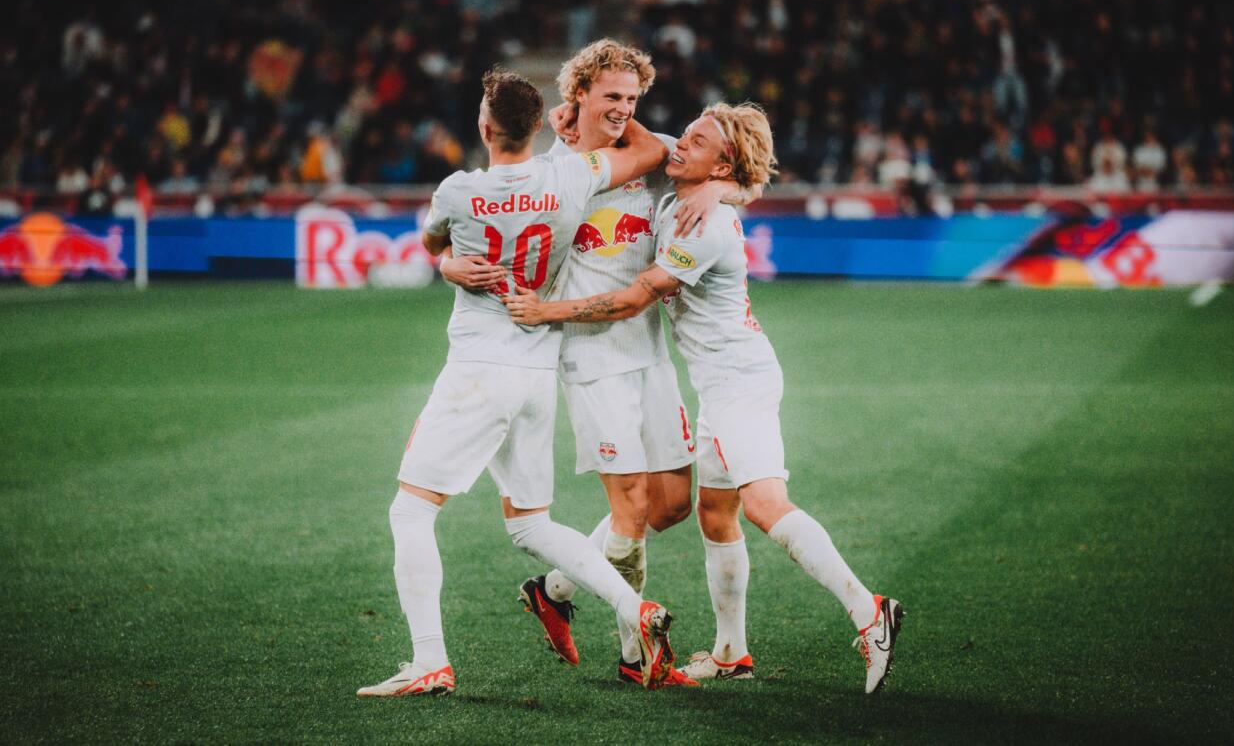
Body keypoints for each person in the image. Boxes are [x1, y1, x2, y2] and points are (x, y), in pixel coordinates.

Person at [504, 103, 905, 694]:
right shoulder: (683, 188)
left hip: (739, 383)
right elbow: (642, 135)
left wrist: (546, 312)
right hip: (719, 383)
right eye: (686, 135)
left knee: (765, 505)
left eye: (697, 141)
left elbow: (637, 296)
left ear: (724, 162)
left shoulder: (705, 224)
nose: (680, 145)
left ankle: (869, 612)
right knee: (714, 515)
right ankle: (729, 652)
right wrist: (584, 109)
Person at [358, 69, 678, 697]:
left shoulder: (458, 190)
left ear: (483, 126)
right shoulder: (570, 176)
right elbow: (651, 150)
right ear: (542, 126)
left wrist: (452, 264)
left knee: (411, 509)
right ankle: (631, 607)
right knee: (530, 524)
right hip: (537, 371)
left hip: (478, 369)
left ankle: (429, 662)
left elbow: (432, 244)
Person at [441, 39, 749, 686]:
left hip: (649, 352)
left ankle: (554, 589)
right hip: (589, 353)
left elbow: (724, 168)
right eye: (612, 96)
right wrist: (446, 262)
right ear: (575, 95)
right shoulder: (559, 173)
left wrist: (720, 188)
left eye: (633, 99)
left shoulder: (645, 158)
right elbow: (465, 231)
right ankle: (639, 654)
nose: (624, 109)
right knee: (631, 506)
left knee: (669, 505)